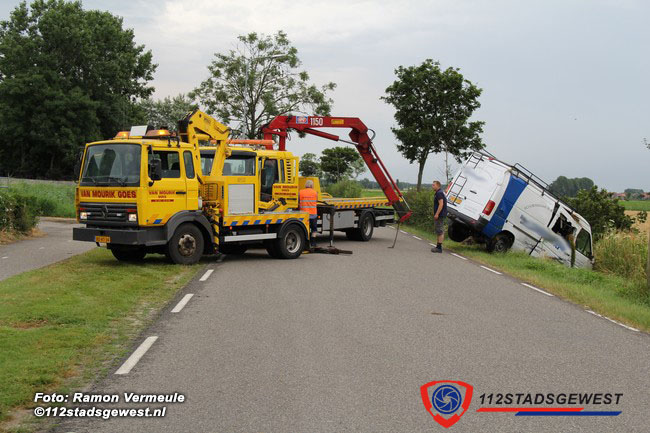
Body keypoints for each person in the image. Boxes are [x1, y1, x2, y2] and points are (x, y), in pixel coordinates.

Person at [299, 179, 318, 248]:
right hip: (313, 214)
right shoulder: (315, 193)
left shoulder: (300, 192)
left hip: (304, 215)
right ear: (312, 185)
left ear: (305, 185)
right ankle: (313, 243)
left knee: (305, 229)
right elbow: (316, 201)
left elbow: (298, 201)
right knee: (314, 230)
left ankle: (305, 244)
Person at [431, 180, 447, 253]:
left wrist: (437, 214)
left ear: (438, 185)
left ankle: (439, 248)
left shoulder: (439, 193)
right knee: (438, 230)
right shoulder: (439, 192)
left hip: (440, 214)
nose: (432, 186)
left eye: (433, 185)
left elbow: (441, 204)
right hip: (440, 214)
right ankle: (437, 246)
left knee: (440, 230)